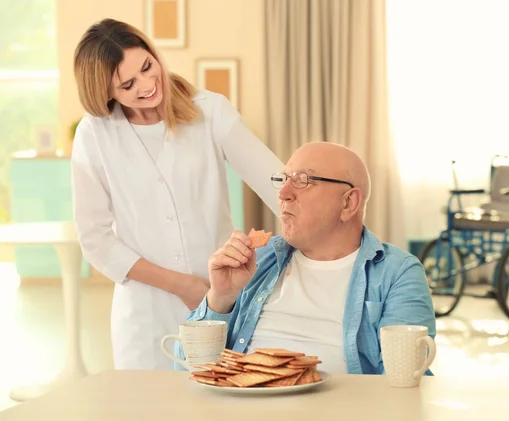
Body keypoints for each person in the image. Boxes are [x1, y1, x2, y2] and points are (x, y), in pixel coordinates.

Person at [70, 18, 283, 370]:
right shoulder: (95, 135)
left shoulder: (210, 110)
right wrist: (180, 285)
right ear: (106, 92)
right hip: (145, 314)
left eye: (148, 66)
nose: (148, 84)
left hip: (222, 301)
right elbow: (95, 239)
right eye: (128, 84)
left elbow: (276, 182)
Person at [174, 142, 436, 374]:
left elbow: (407, 382)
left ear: (348, 203)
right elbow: (184, 366)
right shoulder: (257, 261)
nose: (283, 193)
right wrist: (220, 298)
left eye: (303, 180)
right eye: (283, 179)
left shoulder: (397, 273)